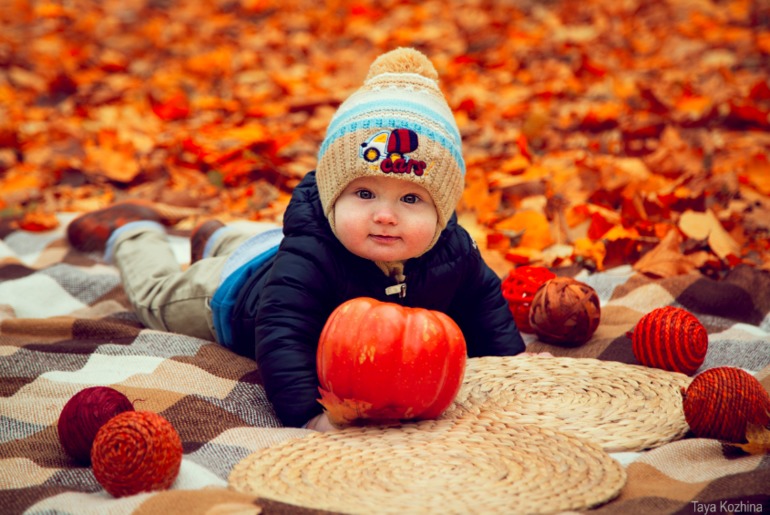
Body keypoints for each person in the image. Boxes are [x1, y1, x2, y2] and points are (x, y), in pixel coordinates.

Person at [66, 48, 526, 432]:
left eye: (411, 198)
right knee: (156, 297)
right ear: (331, 196)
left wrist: (512, 370)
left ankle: (218, 236)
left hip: (267, 247)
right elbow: (283, 335)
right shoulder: (311, 254)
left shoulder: (453, 251)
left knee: (261, 244)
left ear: (442, 212)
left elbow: (484, 302)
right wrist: (308, 413)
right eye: (364, 193)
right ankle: (133, 232)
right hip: (234, 295)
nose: (385, 215)